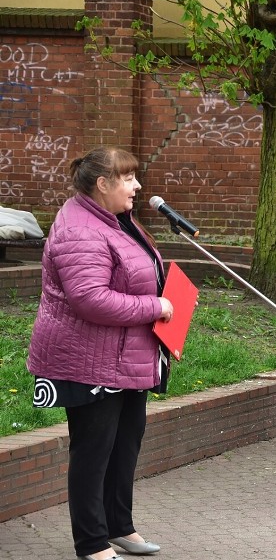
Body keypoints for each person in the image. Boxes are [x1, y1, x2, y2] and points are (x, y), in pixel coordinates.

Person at [27, 147, 173, 560]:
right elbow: (90, 299)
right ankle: (91, 542)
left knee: (125, 445)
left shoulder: (118, 220)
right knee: (94, 451)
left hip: (127, 355)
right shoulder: (79, 228)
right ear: (102, 184)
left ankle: (119, 527)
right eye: (128, 179)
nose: (137, 186)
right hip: (87, 360)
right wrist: (156, 307)